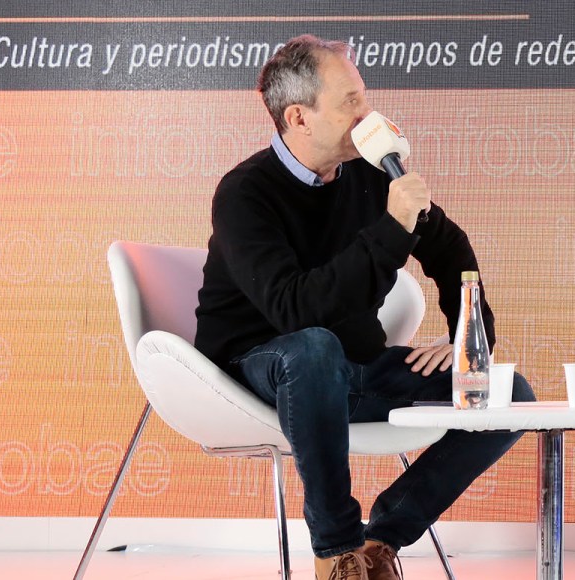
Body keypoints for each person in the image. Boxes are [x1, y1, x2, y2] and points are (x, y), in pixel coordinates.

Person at [194, 35, 534, 580]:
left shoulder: (375, 176)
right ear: (299, 117)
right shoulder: (244, 193)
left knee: (505, 391)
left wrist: (469, 338)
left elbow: (449, 248)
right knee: (314, 347)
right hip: (258, 369)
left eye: (364, 96)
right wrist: (392, 227)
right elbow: (295, 310)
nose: (368, 113)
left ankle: (380, 543)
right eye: (350, 101)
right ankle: (336, 553)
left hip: (350, 367)